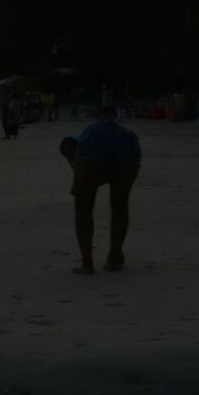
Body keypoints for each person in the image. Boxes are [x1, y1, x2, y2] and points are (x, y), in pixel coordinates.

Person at [60, 107, 141, 273]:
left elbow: (75, 158)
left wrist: (79, 182)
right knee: (120, 204)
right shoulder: (124, 133)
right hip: (127, 146)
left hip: (92, 149)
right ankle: (115, 256)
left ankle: (87, 262)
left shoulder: (77, 141)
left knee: (83, 207)